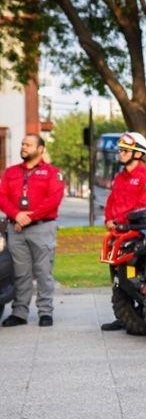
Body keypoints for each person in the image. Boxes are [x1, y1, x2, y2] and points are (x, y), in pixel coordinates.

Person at [0, 134, 65, 327]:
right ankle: (19, 313)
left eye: (28, 144)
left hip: (42, 228)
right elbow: (2, 197)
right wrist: (16, 215)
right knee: (21, 273)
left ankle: (45, 312)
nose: (24, 147)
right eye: (22, 144)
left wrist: (29, 217)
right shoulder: (10, 172)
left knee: (44, 271)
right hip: (16, 229)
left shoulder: (53, 173)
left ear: (41, 149)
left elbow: (53, 200)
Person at [100, 132, 146, 331]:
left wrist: (118, 221)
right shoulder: (120, 177)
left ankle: (144, 314)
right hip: (116, 234)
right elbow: (111, 201)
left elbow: (143, 207)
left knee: (133, 276)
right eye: (121, 150)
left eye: (126, 151)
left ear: (138, 153)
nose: (121, 154)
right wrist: (108, 219)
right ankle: (124, 316)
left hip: (133, 235)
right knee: (117, 277)